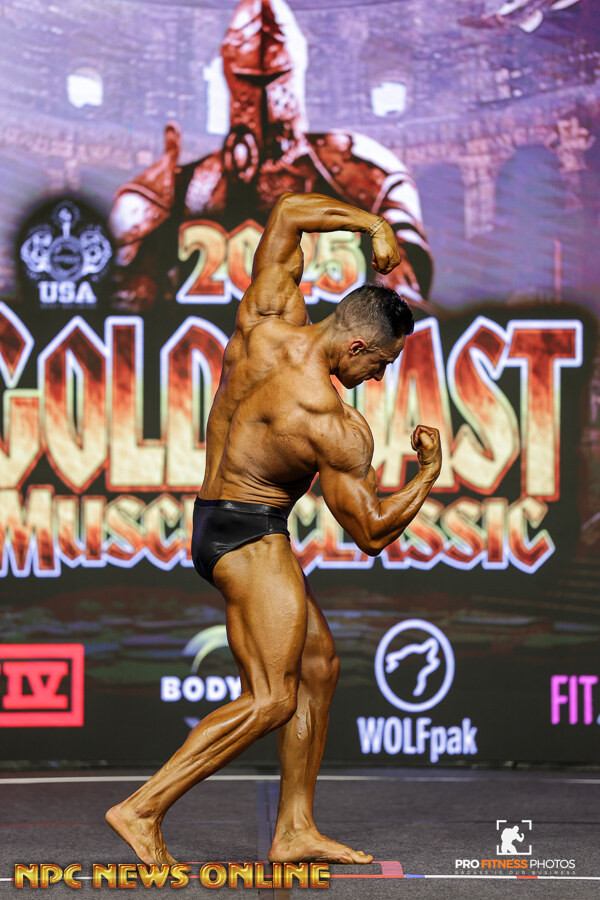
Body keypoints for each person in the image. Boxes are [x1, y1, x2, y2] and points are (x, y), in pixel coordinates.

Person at [106, 192, 442, 866]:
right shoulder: (333, 424)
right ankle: (142, 807)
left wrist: (372, 224)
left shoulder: (265, 318)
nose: (376, 378)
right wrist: (428, 474)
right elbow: (372, 533)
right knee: (270, 698)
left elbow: (287, 213)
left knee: (318, 666)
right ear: (356, 345)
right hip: (252, 538)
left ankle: (294, 829)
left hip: (217, 521)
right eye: (379, 364)